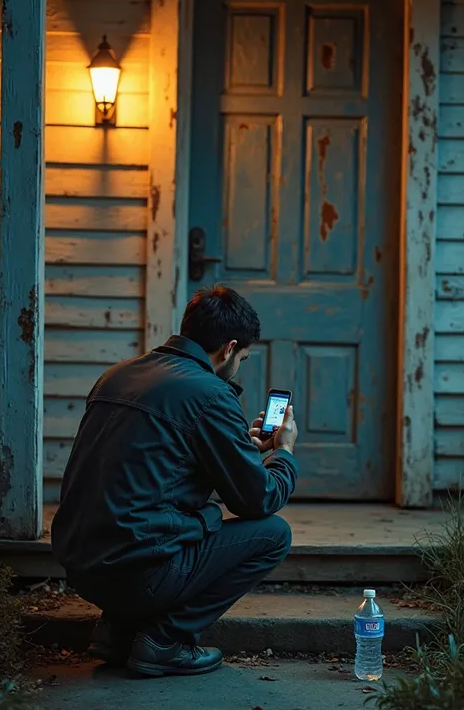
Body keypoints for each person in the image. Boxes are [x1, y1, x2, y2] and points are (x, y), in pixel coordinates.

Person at [51, 285, 298, 678]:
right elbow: (258, 499)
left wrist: (237, 448)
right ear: (229, 348)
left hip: (80, 566)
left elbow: (149, 470)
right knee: (272, 534)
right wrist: (283, 452)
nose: (239, 366)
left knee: (153, 519)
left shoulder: (116, 375)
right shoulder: (211, 394)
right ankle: (165, 641)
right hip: (139, 573)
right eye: (244, 358)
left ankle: (118, 631)